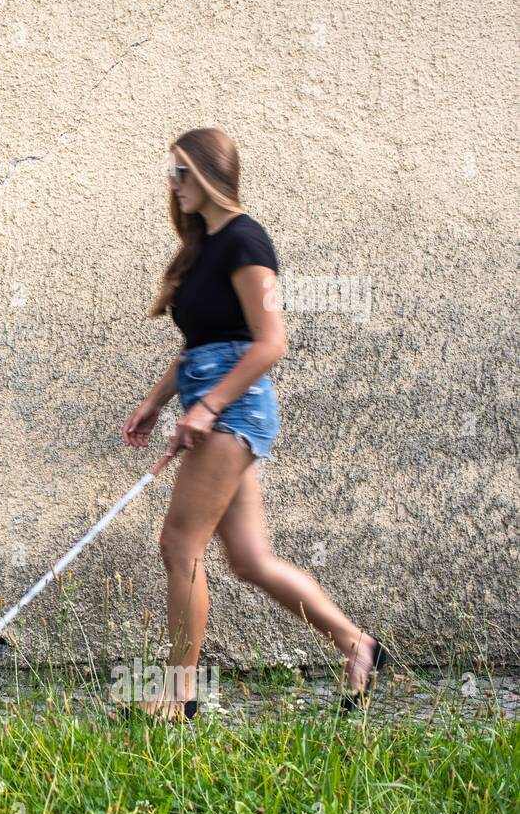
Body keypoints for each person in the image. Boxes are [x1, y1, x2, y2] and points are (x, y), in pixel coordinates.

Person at [115, 127, 388, 721]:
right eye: (171, 171)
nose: (173, 182)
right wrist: (158, 400)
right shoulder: (204, 245)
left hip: (235, 410)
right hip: (214, 403)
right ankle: (356, 644)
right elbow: (202, 343)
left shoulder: (246, 241)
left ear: (212, 173)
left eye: (182, 171)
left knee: (179, 544)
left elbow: (269, 343)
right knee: (249, 559)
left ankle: (179, 692)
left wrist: (208, 406)